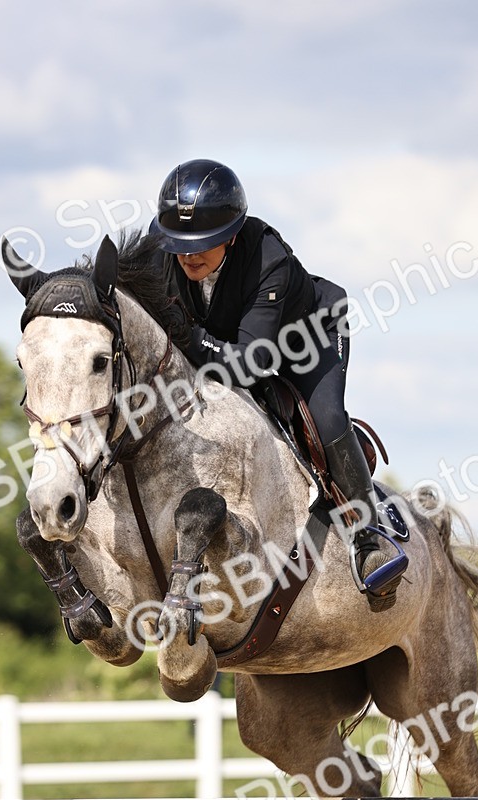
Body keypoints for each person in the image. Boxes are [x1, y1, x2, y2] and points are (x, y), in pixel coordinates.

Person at [149, 158, 407, 603]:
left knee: (325, 419)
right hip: (229, 344)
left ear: (230, 236)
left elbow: (255, 363)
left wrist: (189, 337)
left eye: (203, 244)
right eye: (180, 244)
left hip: (305, 341)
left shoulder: (269, 257)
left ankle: (368, 536)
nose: (189, 254)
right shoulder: (162, 256)